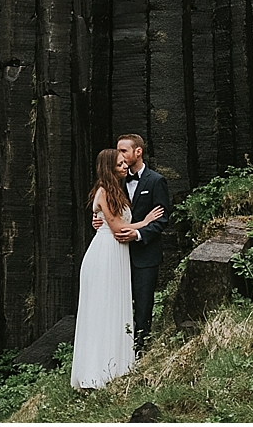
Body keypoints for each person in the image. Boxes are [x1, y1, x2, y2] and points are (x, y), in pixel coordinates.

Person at [71, 148, 164, 390]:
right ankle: (95, 371)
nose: (125, 166)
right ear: (109, 167)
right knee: (102, 308)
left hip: (117, 253)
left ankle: (116, 365)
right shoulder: (104, 191)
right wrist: (145, 222)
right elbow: (117, 229)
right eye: (120, 163)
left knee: (115, 306)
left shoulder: (116, 190)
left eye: (125, 162)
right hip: (105, 254)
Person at [93, 133, 171, 353]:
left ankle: (141, 351)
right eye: (118, 151)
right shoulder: (116, 180)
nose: (121, 155)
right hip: (117, 254)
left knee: (143, 306)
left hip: (145, 254)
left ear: (138, 151)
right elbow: (110, 212)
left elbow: (162, 219)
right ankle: (118, 350)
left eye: (124, 150)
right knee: (117, 304)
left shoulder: (156, 181)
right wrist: (98, 218)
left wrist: (138, 234)